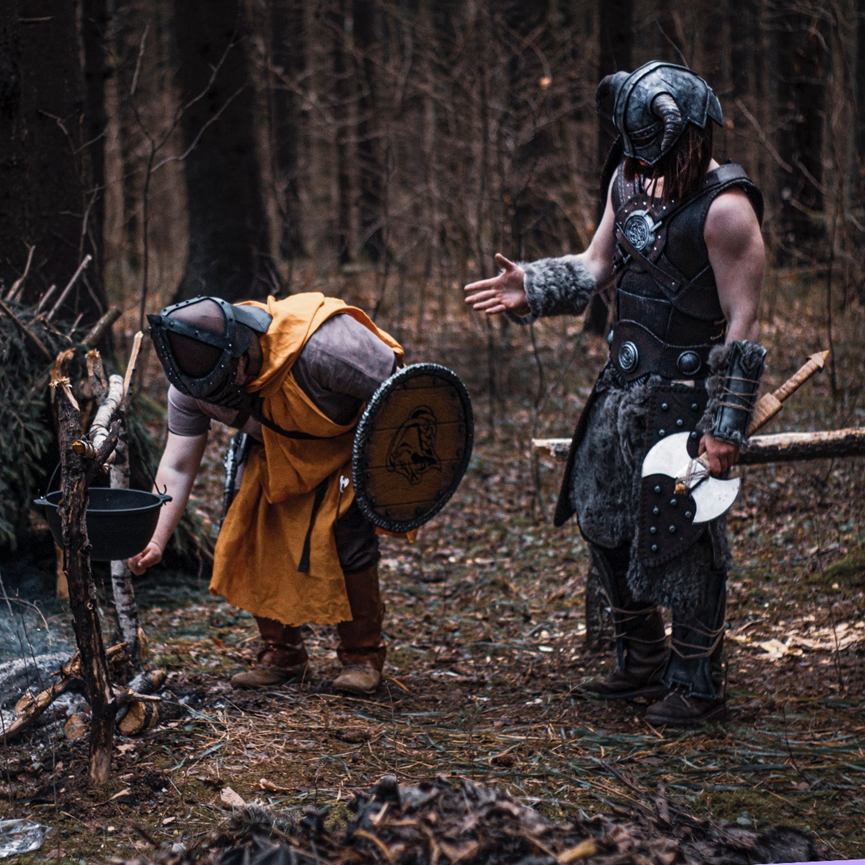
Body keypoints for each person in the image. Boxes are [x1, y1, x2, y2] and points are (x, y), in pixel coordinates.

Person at [464, 61, 767, 725]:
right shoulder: (626, 179)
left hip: (685, 393)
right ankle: (641, 659)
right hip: (621, 384)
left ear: (689, 134)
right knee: (599, 514)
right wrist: (535, 285)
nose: (649, 164)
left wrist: (723, 424)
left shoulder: (725, 209)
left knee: (684, 537)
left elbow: (742, 323)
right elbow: (596, 264)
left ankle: (695, 681)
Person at [129, 292, 404, 696]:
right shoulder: (189, 383)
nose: (216, 396)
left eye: (224, 385)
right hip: (275, 449)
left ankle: (362, 655)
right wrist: (154, 538)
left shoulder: (328, 349)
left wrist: (396, 476)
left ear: (241, 355)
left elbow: (408, 398)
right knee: (252, 536)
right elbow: (178, 464)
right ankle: (283, 654)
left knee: (347, 541)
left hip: (349, 447)